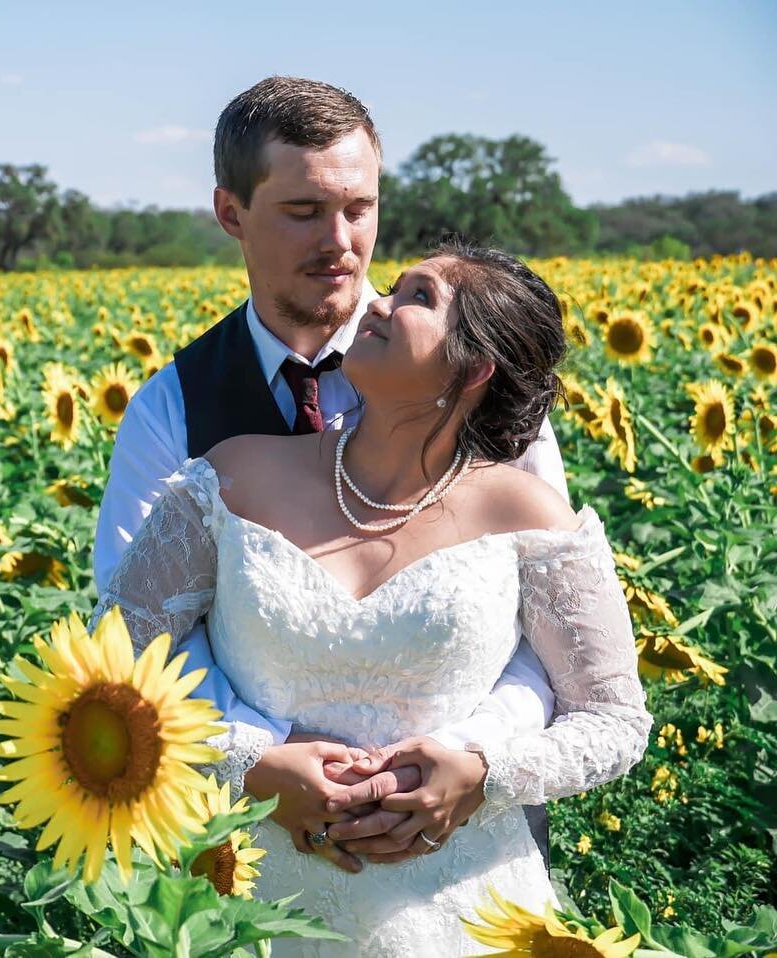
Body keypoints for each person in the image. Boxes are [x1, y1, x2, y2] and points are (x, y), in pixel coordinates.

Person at [91, 239, 651, 955]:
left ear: (473, 368)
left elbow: (612, 717)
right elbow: (111, 667)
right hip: (239, 898)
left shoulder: (530, 514)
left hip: (466, 912)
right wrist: (244, 762)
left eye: (418, 297)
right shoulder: (231, 477)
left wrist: (483, 774)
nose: (377, 303)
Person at [92, 76, 567, 878]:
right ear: (231, 213)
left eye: (360, 209)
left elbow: (551, 619)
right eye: (304, 211)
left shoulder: (472, 380)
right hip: (242, 842)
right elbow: (133, 631)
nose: (342, 240)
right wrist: (258, 755)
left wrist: (470, 757)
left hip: (460, 836)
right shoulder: (171, 409)